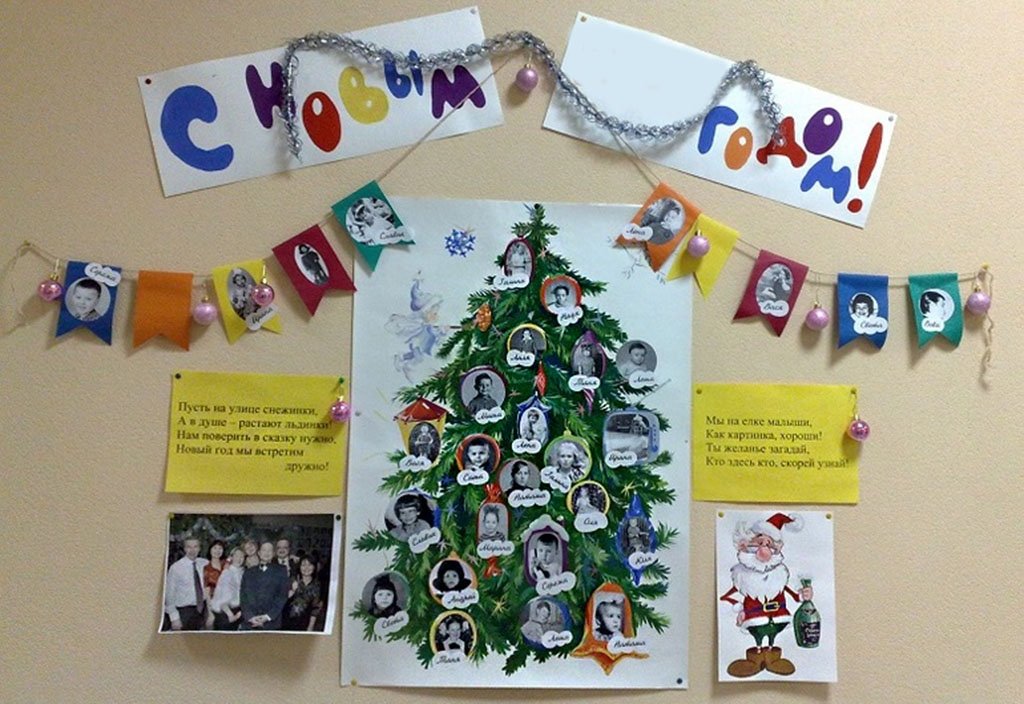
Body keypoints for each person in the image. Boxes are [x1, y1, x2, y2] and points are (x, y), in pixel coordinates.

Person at [719, 513, 813, 677]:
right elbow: (726, 596)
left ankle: (772, 659)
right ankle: (754, 661)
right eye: (759, 543)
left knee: (772, 640)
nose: (764, 549)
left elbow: (794, 596)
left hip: (778, 616)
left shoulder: (780, 575)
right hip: (754, 617)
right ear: (747, 545)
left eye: (769, 544)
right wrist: (739, 608)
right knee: (757, 640)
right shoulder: (742, 576)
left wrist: (803, 595)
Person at [239, 541, 290, 630]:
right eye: (264, 550)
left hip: (271, 623)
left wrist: (268, 616)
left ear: (273, 553)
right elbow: (243, 596)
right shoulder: (248, 572)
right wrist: (250, 617)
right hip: (250, 622)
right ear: (259, 553)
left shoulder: (281, 571)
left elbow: (282, 596)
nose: (267, 553)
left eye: (269, 550)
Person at [163, 536, 209, 631]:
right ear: (184, 549)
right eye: (189, 547)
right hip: (184, 612)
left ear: (199, 548)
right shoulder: (176, 568)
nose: (192, 550)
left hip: (203, 610)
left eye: (195, 546)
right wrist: (174, 618)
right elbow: (169, 595)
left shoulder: (205, 563)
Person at [283, 556, 324, 632]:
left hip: (304, 623)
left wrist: (310, 627)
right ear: (299, 567)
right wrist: (292, 591)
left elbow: (316, 608)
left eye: (310, 565)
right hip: (286, 622)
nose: (306, 568)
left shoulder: (317, 585)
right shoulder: (292, 580)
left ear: (314, 567)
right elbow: (281, 599)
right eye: (303, 565)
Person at [210, 546, 246, 631]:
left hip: (237, 611)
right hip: (226, 613)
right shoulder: (227, 572)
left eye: (242, 556)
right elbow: (222, 597)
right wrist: (230, 615)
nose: (239, 559)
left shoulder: (242, 572)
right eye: (237, 556)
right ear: (231, 557)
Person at [202, 540, 227, 627]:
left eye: (220, 548)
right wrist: (210, 613)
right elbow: (207, 591)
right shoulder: (207, 568)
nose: (217, 551)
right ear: (210, 550)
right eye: (215, 548)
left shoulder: (226, 564)